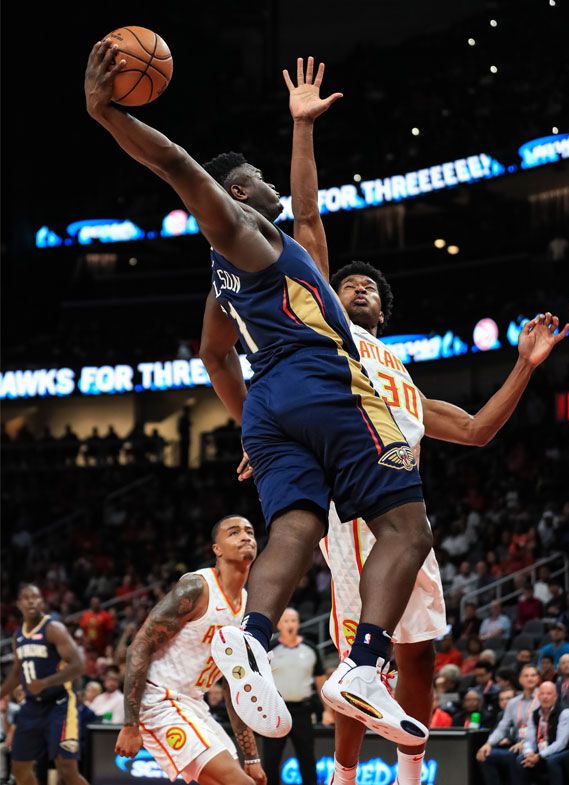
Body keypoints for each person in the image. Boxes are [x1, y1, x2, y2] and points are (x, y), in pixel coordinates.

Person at [84, 39, 430, 745]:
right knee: (407, 528)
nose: (272, 183)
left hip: (270, 402)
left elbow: (216, 354)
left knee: (296, 527)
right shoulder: (242, 231)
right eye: (258, 177)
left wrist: (251, 429)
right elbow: (180, 167)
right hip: (325, 379)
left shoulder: (232, 272)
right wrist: (106, 113)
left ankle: (251, 636)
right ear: (238, 193)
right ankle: (364, 668)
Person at [255, 60, 566, 785]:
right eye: (346, 284)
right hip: (356, 498)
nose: (354, 287)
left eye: (365, 287)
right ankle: (341, 772)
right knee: (359, 661)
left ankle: (410, 768)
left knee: (419, 651)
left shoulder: (402, 376)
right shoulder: (324, 330)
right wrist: (302, 128)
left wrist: (524, 365)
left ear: (383, 310)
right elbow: (306, 219)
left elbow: (482, 431)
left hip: (405, 503)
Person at [114, 517, 264, 785]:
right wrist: (130, 724)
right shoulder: (197, 588)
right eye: (234, 532)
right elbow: (140, 645)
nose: (245, 536)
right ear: (216, 549)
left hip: (194, 703)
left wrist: (251, 758)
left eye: (250, 532)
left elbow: (234, 684)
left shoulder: (247, 607)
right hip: (159, 699)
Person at [0, 585, 90, 785]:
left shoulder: (53, 629)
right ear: (19, 604)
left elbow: (78, 666)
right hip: (32, 707)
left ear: (42, 601)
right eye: (26, 597)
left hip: (60, 704)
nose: (31, 601)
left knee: (66, 768)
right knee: (20, 769)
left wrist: (46, 683)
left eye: (35, 597)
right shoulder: (18, 636)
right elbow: (16, 673)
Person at [264, 609, 322, 785]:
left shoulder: (311, 649)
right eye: (286, 621)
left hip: (303, 711)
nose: (290, 624)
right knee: (271, 759)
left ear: (298, 623)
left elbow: (320, 681)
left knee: (307, 757)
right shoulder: (270, 648)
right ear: (279, 624)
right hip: (275, 711)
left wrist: (327, 710)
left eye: (294, 620)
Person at [476, 666, 542, 785]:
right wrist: (488, 743)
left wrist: (524, 742)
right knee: (486, 755)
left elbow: (541, 726)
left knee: (514, 758)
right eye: (526, 676)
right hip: (515, 745)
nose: (530, 678)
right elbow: (502, 727)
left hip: (535, 744)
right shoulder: (513, 702)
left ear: (538, 679)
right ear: (520, 679)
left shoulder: (543, 698)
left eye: (533, 675)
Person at [521, 682, 569, 785]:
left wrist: (539, 756)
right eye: (542, 694)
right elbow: (529, 740)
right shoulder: (535, 714)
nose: (545, 697)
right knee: (521, 759)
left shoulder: (565, 713)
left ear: (555, 697)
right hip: (543, 749)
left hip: (567, 749)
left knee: (552, 760)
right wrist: (529, 753)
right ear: (538, 696)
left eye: (549, 694)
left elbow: (561, 743)